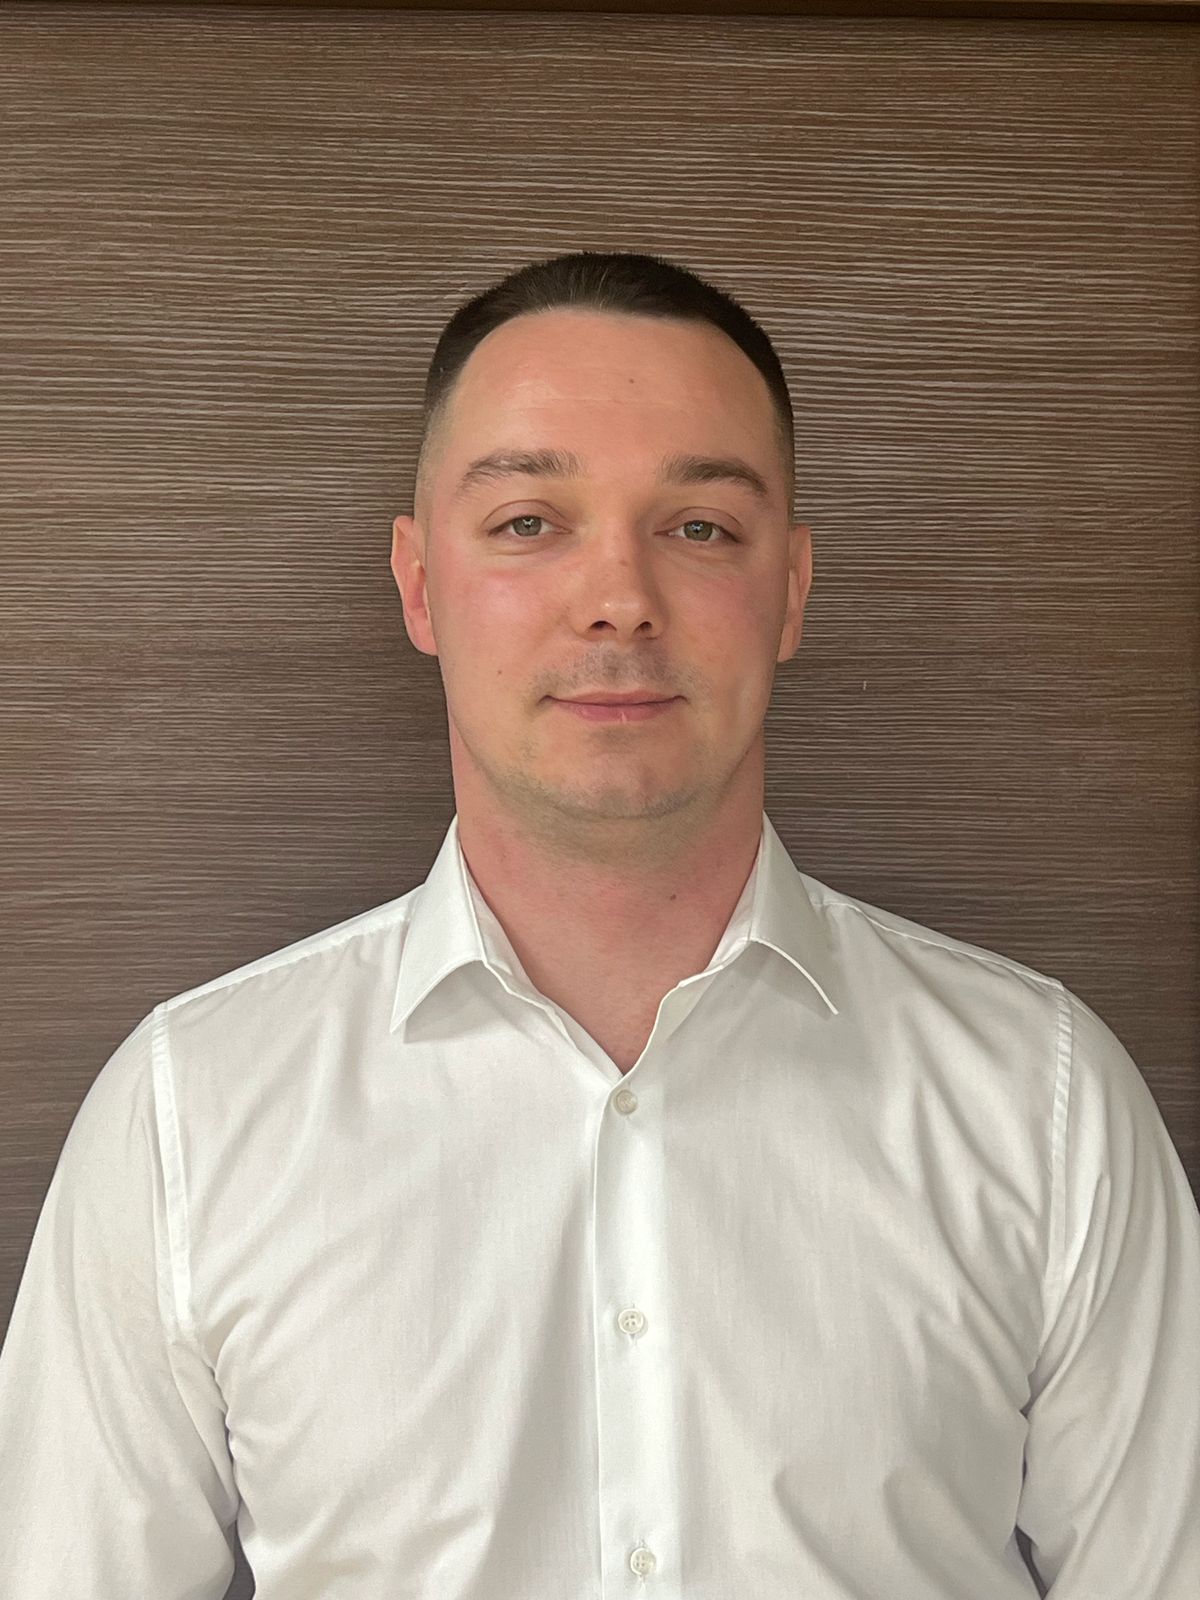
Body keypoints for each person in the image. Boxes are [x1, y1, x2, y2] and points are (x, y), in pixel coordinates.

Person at [1, 249, 1197, 1599]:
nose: (619, 597)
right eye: (529, 522)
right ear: (419, 586)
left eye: (701, 528)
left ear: (792, 589)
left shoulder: (1044, 1104)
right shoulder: (189, 1115)